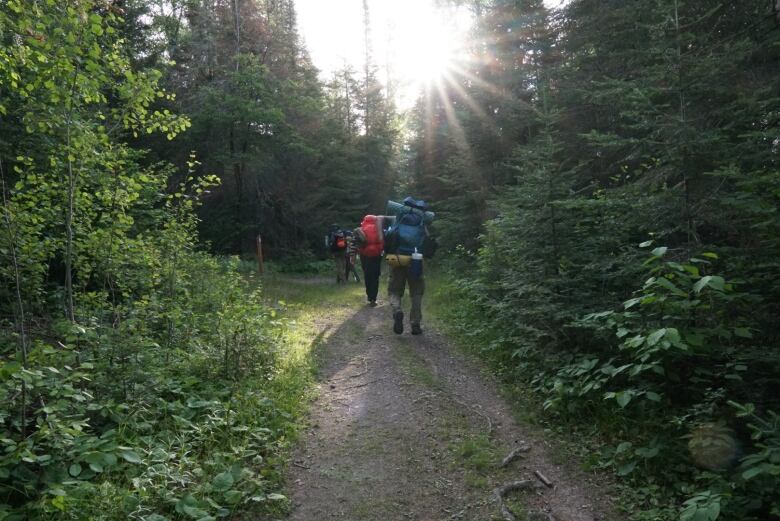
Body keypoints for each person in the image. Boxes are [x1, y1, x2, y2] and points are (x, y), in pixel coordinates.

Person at [384, 197, 435, 335]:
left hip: (398, 259)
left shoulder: (399, 217)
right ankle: (415, 324)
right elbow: (428, 241)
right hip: (416, 261)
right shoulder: (423, 220)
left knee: (394, 290)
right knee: (416, 293)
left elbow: (389, 236)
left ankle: (397, 310)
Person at [353, 215, 384, 306]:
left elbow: (357, 242)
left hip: (365, 255)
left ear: (365, 220)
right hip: (376, 255)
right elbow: (382, 241)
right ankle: (373, 299)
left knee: (367, 275)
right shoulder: (378, 228)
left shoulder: (362, 228)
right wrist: (379, 249)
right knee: (375, 276)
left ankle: (369, 296)